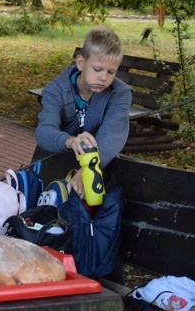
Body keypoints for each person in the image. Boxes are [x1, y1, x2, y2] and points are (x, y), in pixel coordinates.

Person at [35, 26, 133, 198]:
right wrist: (71, 141)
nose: (104, 78)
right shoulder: (55, 90)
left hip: (100, 166)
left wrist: (85, 171)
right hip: (54, 163)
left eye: (111, 72)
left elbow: (111, 138)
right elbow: (44, 132)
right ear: (81, 63)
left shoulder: (120, 94)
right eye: (97, 69)